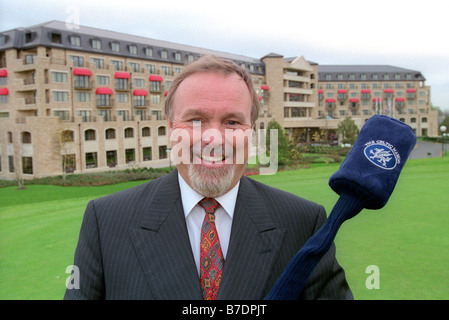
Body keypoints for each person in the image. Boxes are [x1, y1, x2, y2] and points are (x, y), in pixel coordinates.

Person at [64, 55, 353, 300]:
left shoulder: (304, 223)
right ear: (170, 129)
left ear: (250, 132)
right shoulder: (106, 221)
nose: (213, 138)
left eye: (232, 122)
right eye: (195, 121)